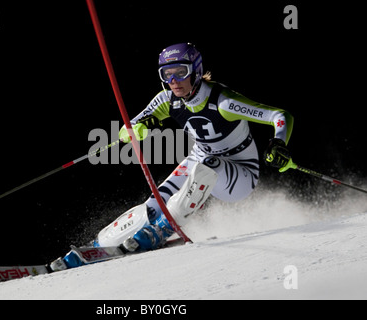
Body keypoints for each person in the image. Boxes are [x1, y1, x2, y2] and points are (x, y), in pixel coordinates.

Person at [51, 42, 294, 270]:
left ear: (196, 72)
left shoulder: (223, 102)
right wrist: (133, 130)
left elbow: (280, 115)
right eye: (167, 74)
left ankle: (162, 230)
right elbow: (130, 125)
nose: (174, 81)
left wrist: (279, 144)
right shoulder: (167, 100)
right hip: (200, 159)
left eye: (181, 72)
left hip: (239, 175)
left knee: (207, 165)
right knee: (154, 203)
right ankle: (96, 248)